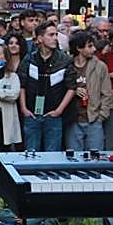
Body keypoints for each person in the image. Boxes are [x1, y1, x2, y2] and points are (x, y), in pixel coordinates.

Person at [17, 22, 74, 152]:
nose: (55, 38)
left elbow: (71, 87)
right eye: (51, 35)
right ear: (40, 38)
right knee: (31, 154)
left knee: (52, 155)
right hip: (32, 114)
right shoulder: (29, 59)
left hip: (53, 115)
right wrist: (24, 108)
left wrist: (59, 110)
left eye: (56, 35)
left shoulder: (65, 60)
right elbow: (22, 84)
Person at [64, 30, 113, 151]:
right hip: (73, 120)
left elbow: (107, 93)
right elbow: (60, 89)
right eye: (89, 46)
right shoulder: (67, 65)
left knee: (95, 156)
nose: (94, 49)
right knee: (73, 157)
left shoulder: (100, 66)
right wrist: (74, 90)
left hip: (94, 119)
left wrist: (101, 116)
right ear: (79, 48)